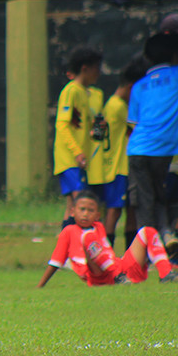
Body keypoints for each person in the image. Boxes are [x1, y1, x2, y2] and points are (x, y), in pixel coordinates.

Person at [127, 12, 178, 249]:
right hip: (164, 149)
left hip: (138, 149)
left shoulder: (139, 86)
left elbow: (133, 124)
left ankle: (156, 244)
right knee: (158, 196)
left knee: (146, 201)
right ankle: (161, 238)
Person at [37, 190, 178, 288]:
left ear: (98, 215)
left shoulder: (99, 227)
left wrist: (118, 267)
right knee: (88, 237)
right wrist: (40, 286)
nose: (85, 214)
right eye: (82, 209)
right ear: (73, 212)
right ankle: (118, 277)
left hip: (120, 269)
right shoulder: (69, 231)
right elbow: (55, 262)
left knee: (147, 231)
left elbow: (107, 253)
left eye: (90, 210)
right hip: (96, 274)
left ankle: (166, 274)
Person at [87, 57, 148, 248]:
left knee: (129, 210)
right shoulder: (118, 107)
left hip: (120, 167)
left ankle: (130, 255)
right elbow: (136, 129)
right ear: (132, 87)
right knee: (114, 211)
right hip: (117, 168)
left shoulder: (114, 104)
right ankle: (107, 254)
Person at [53, 46, 103, 228]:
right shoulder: (71, 90)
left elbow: (87, 127)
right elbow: (62, 124)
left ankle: (64, 250)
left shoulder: (89, 93)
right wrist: (76, 152)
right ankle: (76, 249)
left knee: (72, 207)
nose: (99, 72)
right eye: (96, 68)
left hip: (81, 159)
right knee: (82, 204)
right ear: (85, 68)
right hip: (70, 158)